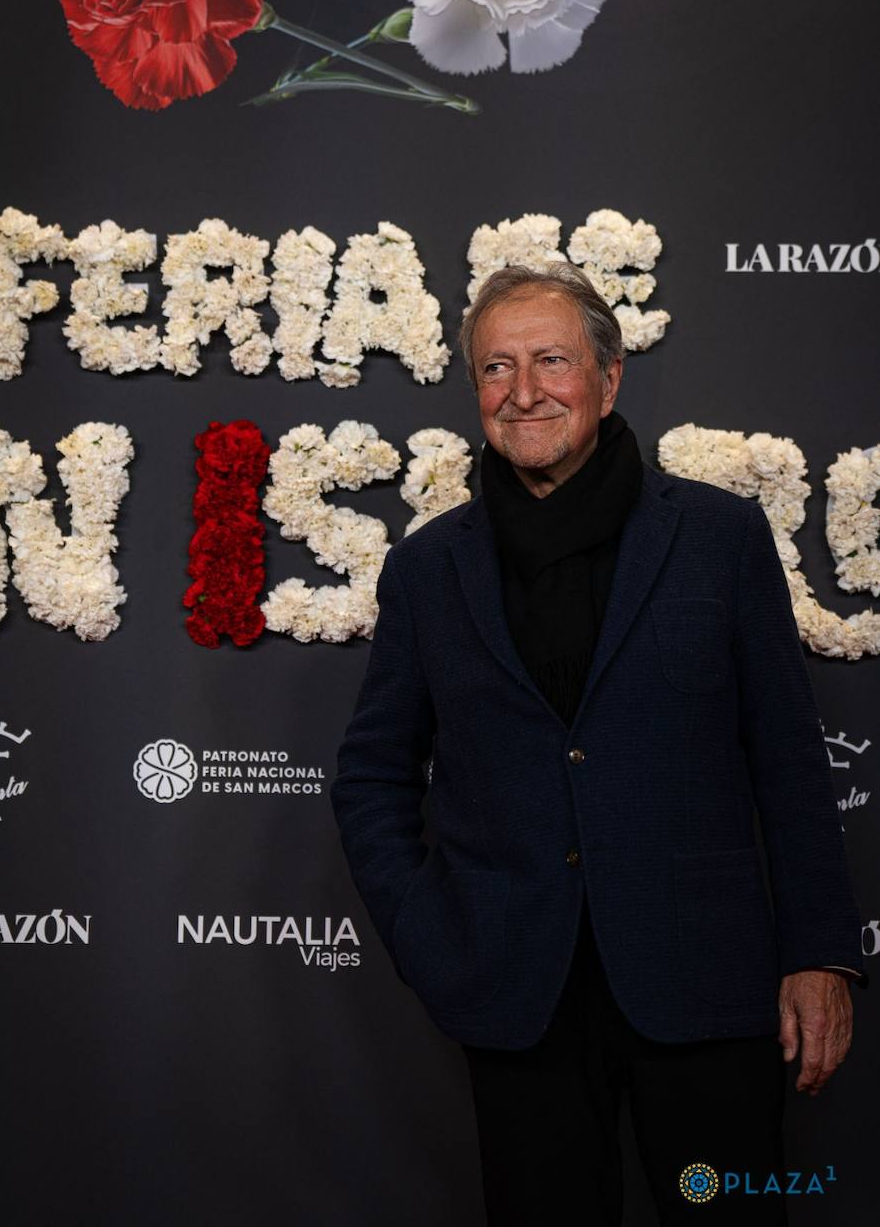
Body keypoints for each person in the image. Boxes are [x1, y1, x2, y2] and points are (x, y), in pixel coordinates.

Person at [329, 264, 867, 1225]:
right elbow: (372, 773)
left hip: (705, 985)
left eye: (549, 361)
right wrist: (425, 929)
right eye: (495, 368)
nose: (522, 391)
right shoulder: (425, 569)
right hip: (513, 989)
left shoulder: (719, 538)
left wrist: (820, 953)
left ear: (609, 379)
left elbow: (787, 759)